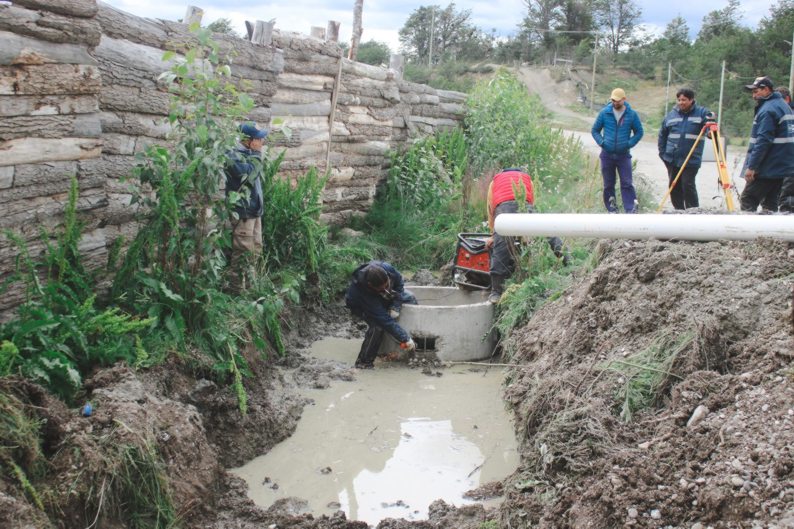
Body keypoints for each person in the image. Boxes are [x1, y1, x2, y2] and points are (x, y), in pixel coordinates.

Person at [484, 168, 568, 304]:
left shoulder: (495, 181)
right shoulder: (527, 178)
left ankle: (496, 292)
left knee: (500, 247)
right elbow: (531, 201)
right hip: (525, 204)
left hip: (503, 207)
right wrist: (525, 233)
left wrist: (493, 233)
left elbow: (490, 208)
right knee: (547, 230)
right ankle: (568, 260)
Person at [345, 261, 417, 369]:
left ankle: (409, 336)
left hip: (377, 296)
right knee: (377, 326)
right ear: (371, 285)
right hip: (359, 305)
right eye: (381, 289)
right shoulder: (361, 290)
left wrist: (395, 306)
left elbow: (399, 285)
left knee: (410, 297)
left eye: (387, 285)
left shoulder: (387, 269)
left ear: (388, 277)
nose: (385, 289)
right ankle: (364, 363)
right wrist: (405, 338)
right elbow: (384, 319)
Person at [739, 76, 794, 212]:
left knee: (748, 199)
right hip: (781, 166)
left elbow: (763, 141)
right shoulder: (784, 106)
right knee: (770, 202)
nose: (754, 95)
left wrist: (752, 166)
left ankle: (744, 232)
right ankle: (770, 232)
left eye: (756, 91)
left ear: (766, 89)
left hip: (768, 166)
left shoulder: (768, 110)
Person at [224, 122, 268, 289]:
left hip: (254, 211)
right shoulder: (233, 156)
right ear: (248, 140)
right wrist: (257, 154)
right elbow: (248, 175)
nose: (261, 142)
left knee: (256, 249)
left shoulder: (249, 153)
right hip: (243, 212)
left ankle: (251, 287)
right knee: (242, 252)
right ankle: (237, 290)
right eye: (259, 139)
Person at [657, 88, 714, 210]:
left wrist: (710, 132)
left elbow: (709, 125)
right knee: (674, 186)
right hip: (672, 158)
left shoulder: (702, 113)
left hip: (691, 159)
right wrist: (662, 154)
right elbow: (662, 135)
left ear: (691, 100)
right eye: (679, 100)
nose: (681, 102)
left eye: (684, 100)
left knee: (687, 185)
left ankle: (693, 211)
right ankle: (678, 211)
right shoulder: (671, 115)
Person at [591, 88, 644, 213]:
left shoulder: (632, 114)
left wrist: (629, 144)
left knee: (627, 182)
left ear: (624, 100)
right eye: (613, 100)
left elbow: (639, 132)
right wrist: (602, 142)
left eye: (618, 101)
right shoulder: (604, 113)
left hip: (623, 155)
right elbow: (594, 130)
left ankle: (630, 210)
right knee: (608, 184)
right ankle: (612, 209)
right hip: (607, 154)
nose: (615, 103)